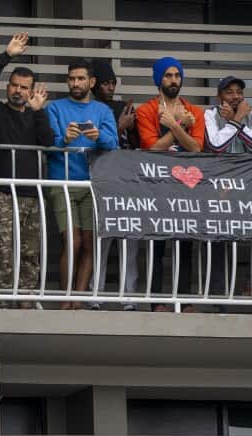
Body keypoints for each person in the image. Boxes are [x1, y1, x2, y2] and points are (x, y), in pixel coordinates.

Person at [46, 62, 119, 309]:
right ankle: (66, 297)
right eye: (71, 79)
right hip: (62, 182)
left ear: (91, 82)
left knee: (90, 241)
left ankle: (78, 297)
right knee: (72, 240)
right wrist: (64, 138)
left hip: (92, 183)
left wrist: (100, 137)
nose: (75, 83)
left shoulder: (103, 110)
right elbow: (48, 141)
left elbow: (114, 144)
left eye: (80, 79)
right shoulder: (55, 107)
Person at [136, 57, 206, 311]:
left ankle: (185, 300)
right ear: (158, 79)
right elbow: (152, 148)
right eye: (168, 75)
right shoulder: (145, 111)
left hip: (186, 187)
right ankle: (156, 302)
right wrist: (179, 127)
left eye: (177, 75)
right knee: (156, 244)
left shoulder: (195, 112)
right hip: (156, 185)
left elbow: (196, 148)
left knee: (185, 243)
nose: (173, 80)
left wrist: (175, 126)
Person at [0, 32, 53, 305]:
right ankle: (5, 299)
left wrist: (39, 111)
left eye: (24, 87)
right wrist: (7, 55)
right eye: (14, 85)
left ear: (32, 91)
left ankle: (26, 298)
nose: (18, 90)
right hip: (4, 193)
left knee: (30, 250)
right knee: (4, 251)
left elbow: (48, 141)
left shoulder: (36, 115)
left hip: (31, 193)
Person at [205, 75, 252, 299]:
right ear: (219, 96)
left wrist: (238, 121)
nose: (235, 97)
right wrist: (235, 121)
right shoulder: (210, 114)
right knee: (221, 236)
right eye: (229, 92)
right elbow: (216, 146)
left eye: (238, 92)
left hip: (250, 185)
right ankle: (219, 291)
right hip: (220, 187)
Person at [89, 59, 140, 309]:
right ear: (94, 83)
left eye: (113, 83)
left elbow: (137, 142)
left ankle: (128, 295)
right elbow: (97, 140)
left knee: (129, 237)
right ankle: (96, 294)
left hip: (127, 178)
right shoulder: (91, 108)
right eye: (105, 83)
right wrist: (118, 127)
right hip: (101, 177)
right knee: (103, 237)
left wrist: (130, 128)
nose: (110, 87)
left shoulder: (123, 106)